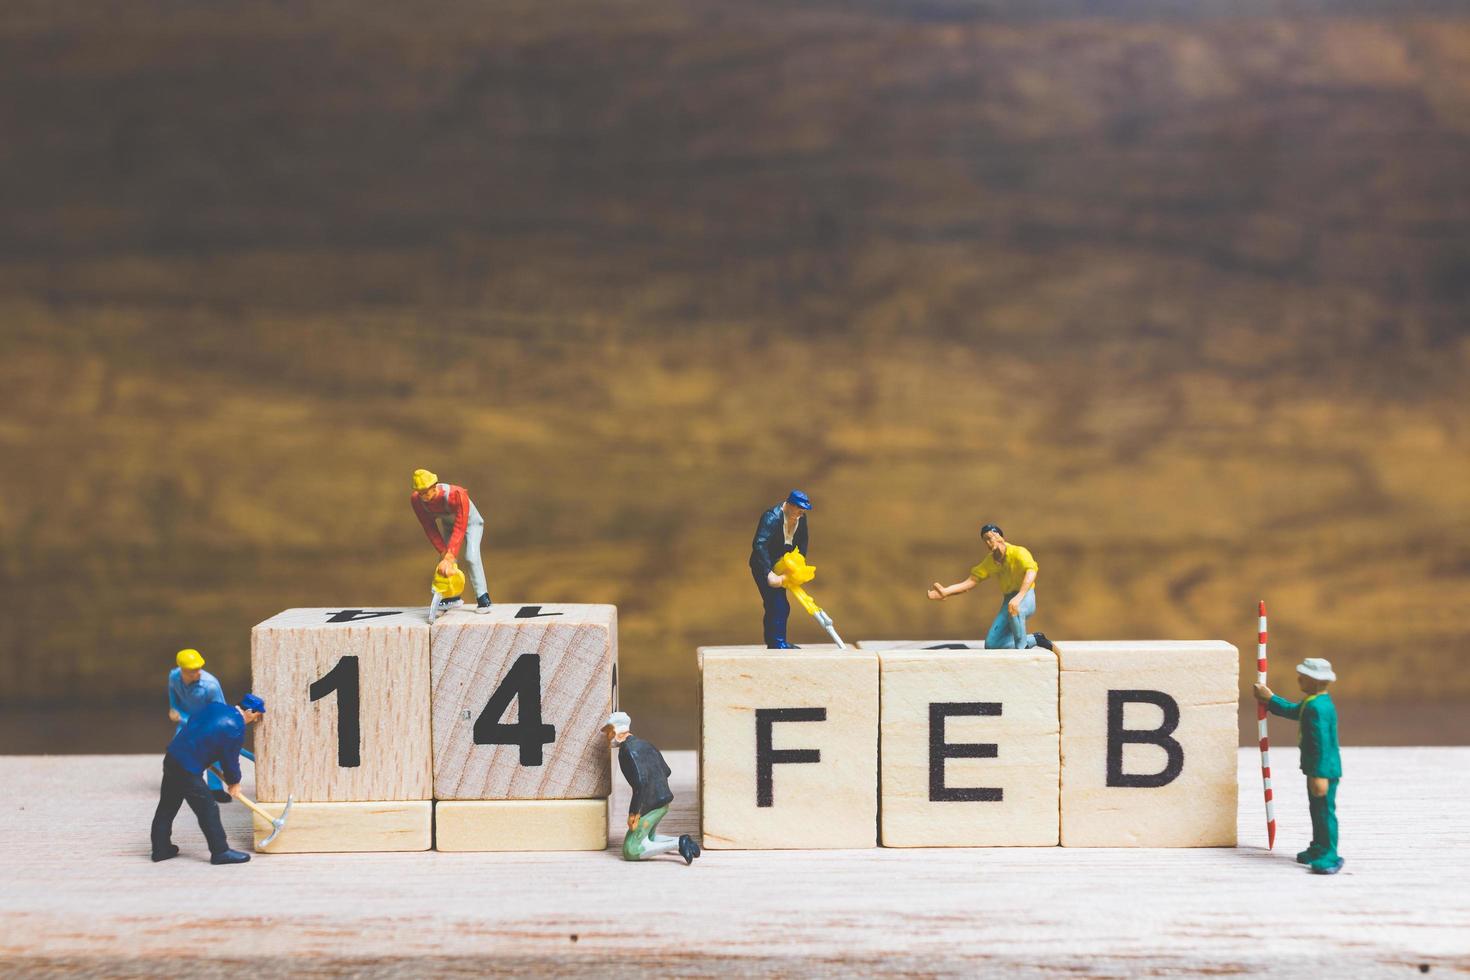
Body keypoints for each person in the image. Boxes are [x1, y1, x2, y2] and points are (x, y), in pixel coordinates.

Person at [150, 693, 265, 865]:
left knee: (167, 806)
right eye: (256, 715)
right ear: (249, 711)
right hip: (187, 769)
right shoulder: (235, 727)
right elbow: (230, 760)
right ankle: (220, 852)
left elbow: (194, 723)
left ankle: (160, 849)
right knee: (208, 810)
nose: (256, 720)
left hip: (173, 757)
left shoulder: (216, 707)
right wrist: (234, 782)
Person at [1254, 657, 1344, 874]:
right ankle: (1319, 846)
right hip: (1315, 768)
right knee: (1316, 810)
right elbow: (1294, 711)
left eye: (1303, 677)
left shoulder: (1317, 708)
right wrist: (1270, 699)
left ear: (1314, 680)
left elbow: (1322, 742)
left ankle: (1329, 854)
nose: (1298, 679)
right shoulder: (1313, 702)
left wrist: (1320, 774)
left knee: (1324, 811)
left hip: (1322, 769)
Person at [927, 524, 1052, 650]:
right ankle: (1036, 638)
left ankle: (1022, 649)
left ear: (999, 537)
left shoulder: (1019, 552)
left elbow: (1031, 572)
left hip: (1025, 595)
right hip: (1008, 599)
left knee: (1015, 607)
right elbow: (970, 582)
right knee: (993, 645)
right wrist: (946, 592)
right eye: (985, 540)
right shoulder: (991, 561)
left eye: (989, 538)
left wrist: (1019, 596)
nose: (988, 543)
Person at [604, 712, 699, 864]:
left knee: (631, 850)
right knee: (650, 837)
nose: (607, 737)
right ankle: (682, 840)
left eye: (608, 732)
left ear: (616, 733)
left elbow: (640, 783)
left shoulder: (626, 751)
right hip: (664, 801)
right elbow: (666, 771)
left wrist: (634, 812)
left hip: (650, 806)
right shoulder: (646, 744)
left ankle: (679, 843)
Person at [167, 648, 252, 802]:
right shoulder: (173, 677)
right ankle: (183, 784)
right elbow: (174, 700)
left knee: (215, 754)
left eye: (199, 668)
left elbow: (220, 711)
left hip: (208, 725)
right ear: (182, 670)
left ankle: (215, 788)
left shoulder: (210, 685)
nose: (197, 673)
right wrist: (175, 711)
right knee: (178, 752)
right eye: (192, 670)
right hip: (186, 722)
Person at [410, 468, 491, 612]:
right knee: (445, 562)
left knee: (471, 557)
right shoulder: (417, 501)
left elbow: (461, 526)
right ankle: (452, 597)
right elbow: (429, 527)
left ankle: (483, 598)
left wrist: (450, 554)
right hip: (450, 527)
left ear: (434, 486)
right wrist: (443, 552)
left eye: (425, 492)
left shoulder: (456, 495)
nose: (423, 496)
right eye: (419, 492)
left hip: (471, 524)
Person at [749, 490, 812, 648]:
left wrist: (798, 565)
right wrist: (768, 572)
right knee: (779, 605)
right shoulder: (771, 517)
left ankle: (774, 641)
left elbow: (802, 543)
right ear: (790, 504)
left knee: (775, 605)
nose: (801, 513)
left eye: (803, 510)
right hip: (764, 565)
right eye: (799, 509)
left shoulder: (800, 518)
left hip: (782, 565)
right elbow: (759, 544)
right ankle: (777, 644)